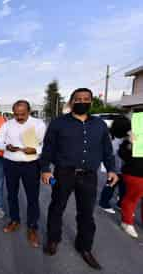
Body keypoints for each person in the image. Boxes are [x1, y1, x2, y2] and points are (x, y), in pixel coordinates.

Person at [40, 88, 118, 270]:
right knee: (57, 207)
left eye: (86, 99)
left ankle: (84, 247)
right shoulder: (59, 123)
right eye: (78, 99)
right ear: (72, 101)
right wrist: (45, 169)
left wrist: (112, 170)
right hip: (64, 173)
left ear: (90, 102)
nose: (82, 101)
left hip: (89, 175)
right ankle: (53, 239)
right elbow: (48, 148)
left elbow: (107, 149)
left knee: (86, 214)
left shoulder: (99, 125)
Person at [0, 100, 46, 247]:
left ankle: (32, 227)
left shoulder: (38, 124)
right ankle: (14, 220)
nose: (19, 117)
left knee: (32, 197)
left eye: (22, 114)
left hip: (31, 164)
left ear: (29, 111)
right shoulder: (7, 124)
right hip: (11, 164)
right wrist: (6, 146)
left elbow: (46, 144)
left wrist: (36, 150)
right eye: (16, 114)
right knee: (12, 195)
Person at [118, 114, 143, 238]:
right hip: (135, 173)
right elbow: (122, 154)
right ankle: (126, 222)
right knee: (132, 198)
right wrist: (130, 144)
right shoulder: (131, 137)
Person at [99, 116, 130, 213]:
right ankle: (103, 203)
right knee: (110, 186)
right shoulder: (112, 138)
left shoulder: (124, 138)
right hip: (114, 168)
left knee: (124, 188)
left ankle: (120, 203)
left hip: (124, 168)